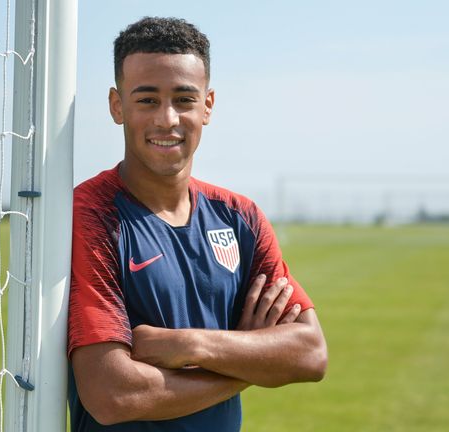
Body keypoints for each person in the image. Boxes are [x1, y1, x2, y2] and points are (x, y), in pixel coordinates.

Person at [67, 17, 327, 431]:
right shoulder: (92, 213)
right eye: (147, 100)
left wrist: (189, 344)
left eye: (184, 99)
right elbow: (112, 394)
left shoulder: (239, 216)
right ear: (117, 106)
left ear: (207, 106)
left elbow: (310, 353)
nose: (167, 119)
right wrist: (251, 358)